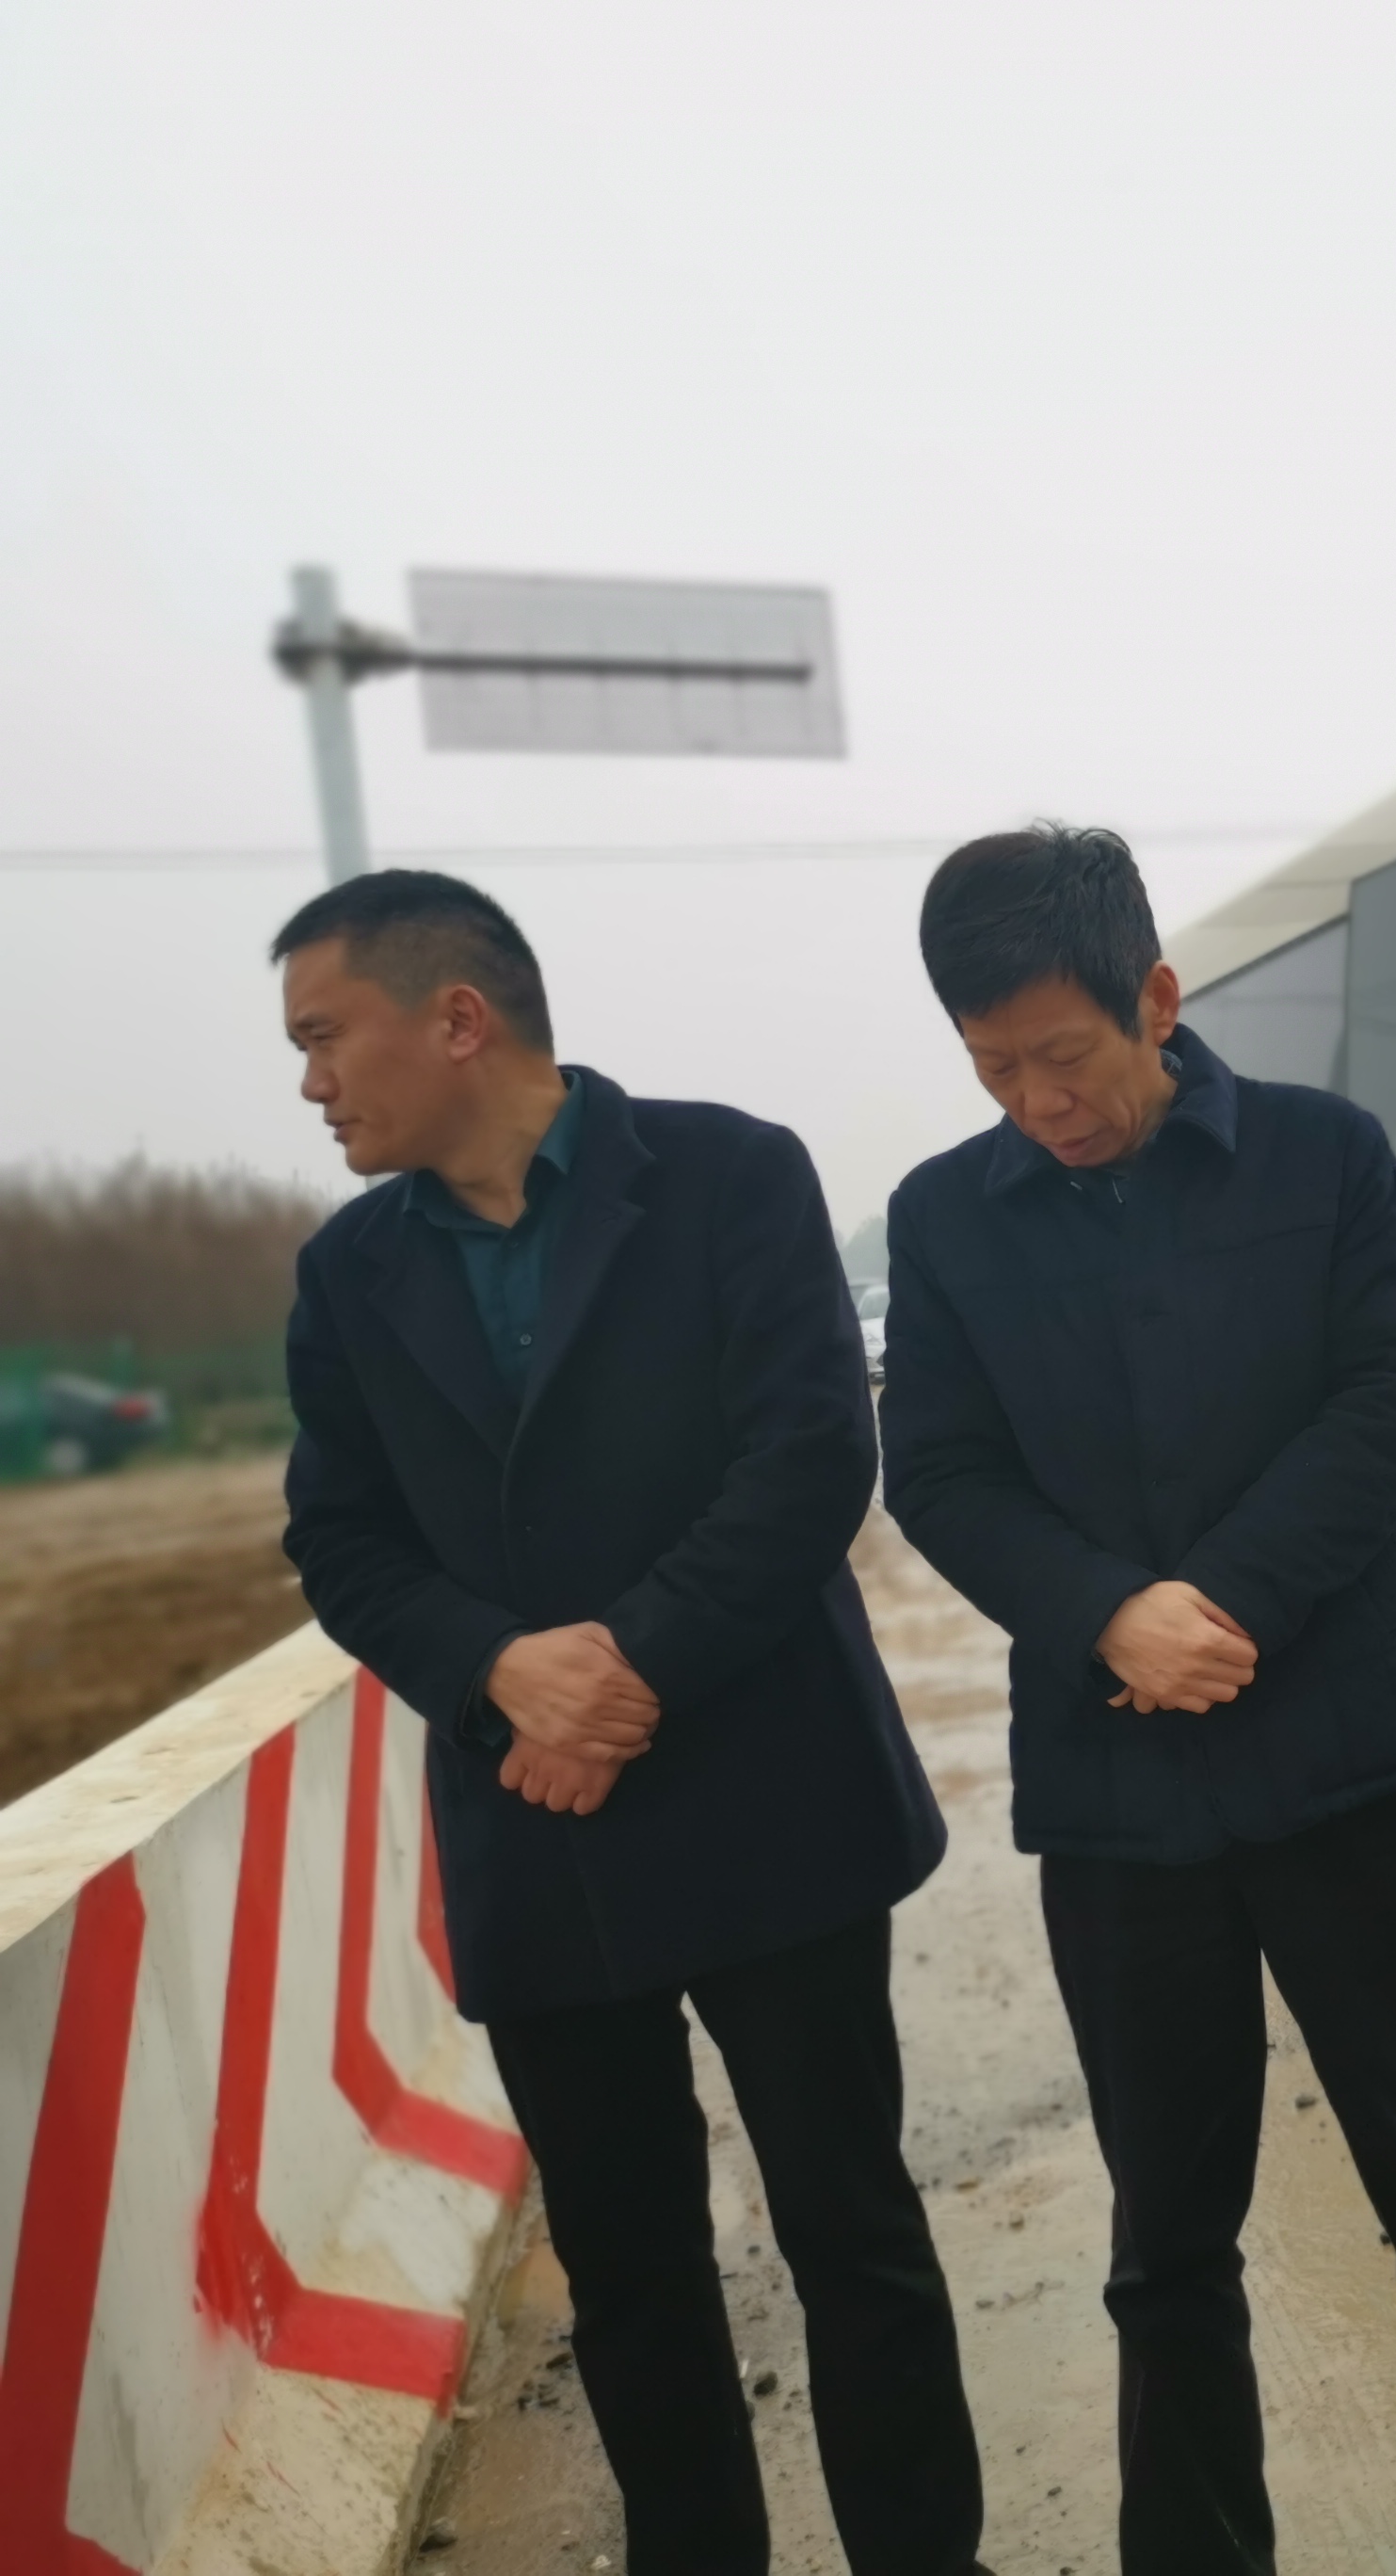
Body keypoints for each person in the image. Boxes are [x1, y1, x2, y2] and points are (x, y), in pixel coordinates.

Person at [875, 826, 1396, 2576]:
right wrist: (1105, 1616)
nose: (1038, 1102)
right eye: (994, 1069)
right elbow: (942, 1472)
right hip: (1118, 1808)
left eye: (1064, 1055)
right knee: (1167, 2244)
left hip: (1343, 1768)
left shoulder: (1319, 1155)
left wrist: (1222, 1604)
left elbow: (1395, 1390)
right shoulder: (946, 1219)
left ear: (1155, 996)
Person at [272, 871, 982, 2576]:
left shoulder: (732, 1175)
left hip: (769, 1799)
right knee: (631, 2273)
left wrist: (623, 1674)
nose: (310, 1084)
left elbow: (808, 1455)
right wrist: (499, 1670)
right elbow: (340, 1538)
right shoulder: (350, 1273)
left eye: (325, 1036)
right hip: (541, 1833)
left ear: (459, 1018)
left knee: (851, 2231)